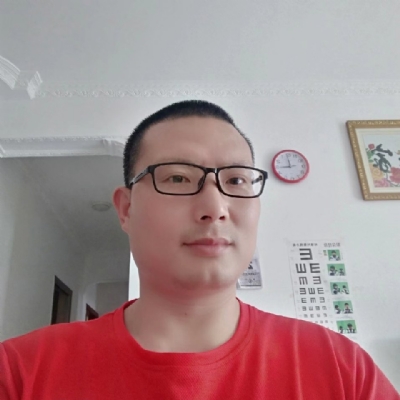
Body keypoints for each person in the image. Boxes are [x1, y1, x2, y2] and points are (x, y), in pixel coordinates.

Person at [0, 100, 398, 399]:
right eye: (177, 178)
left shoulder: (342, 370)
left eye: (237, 181)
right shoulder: (20, 373)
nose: (215, 207)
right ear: (126, 209)